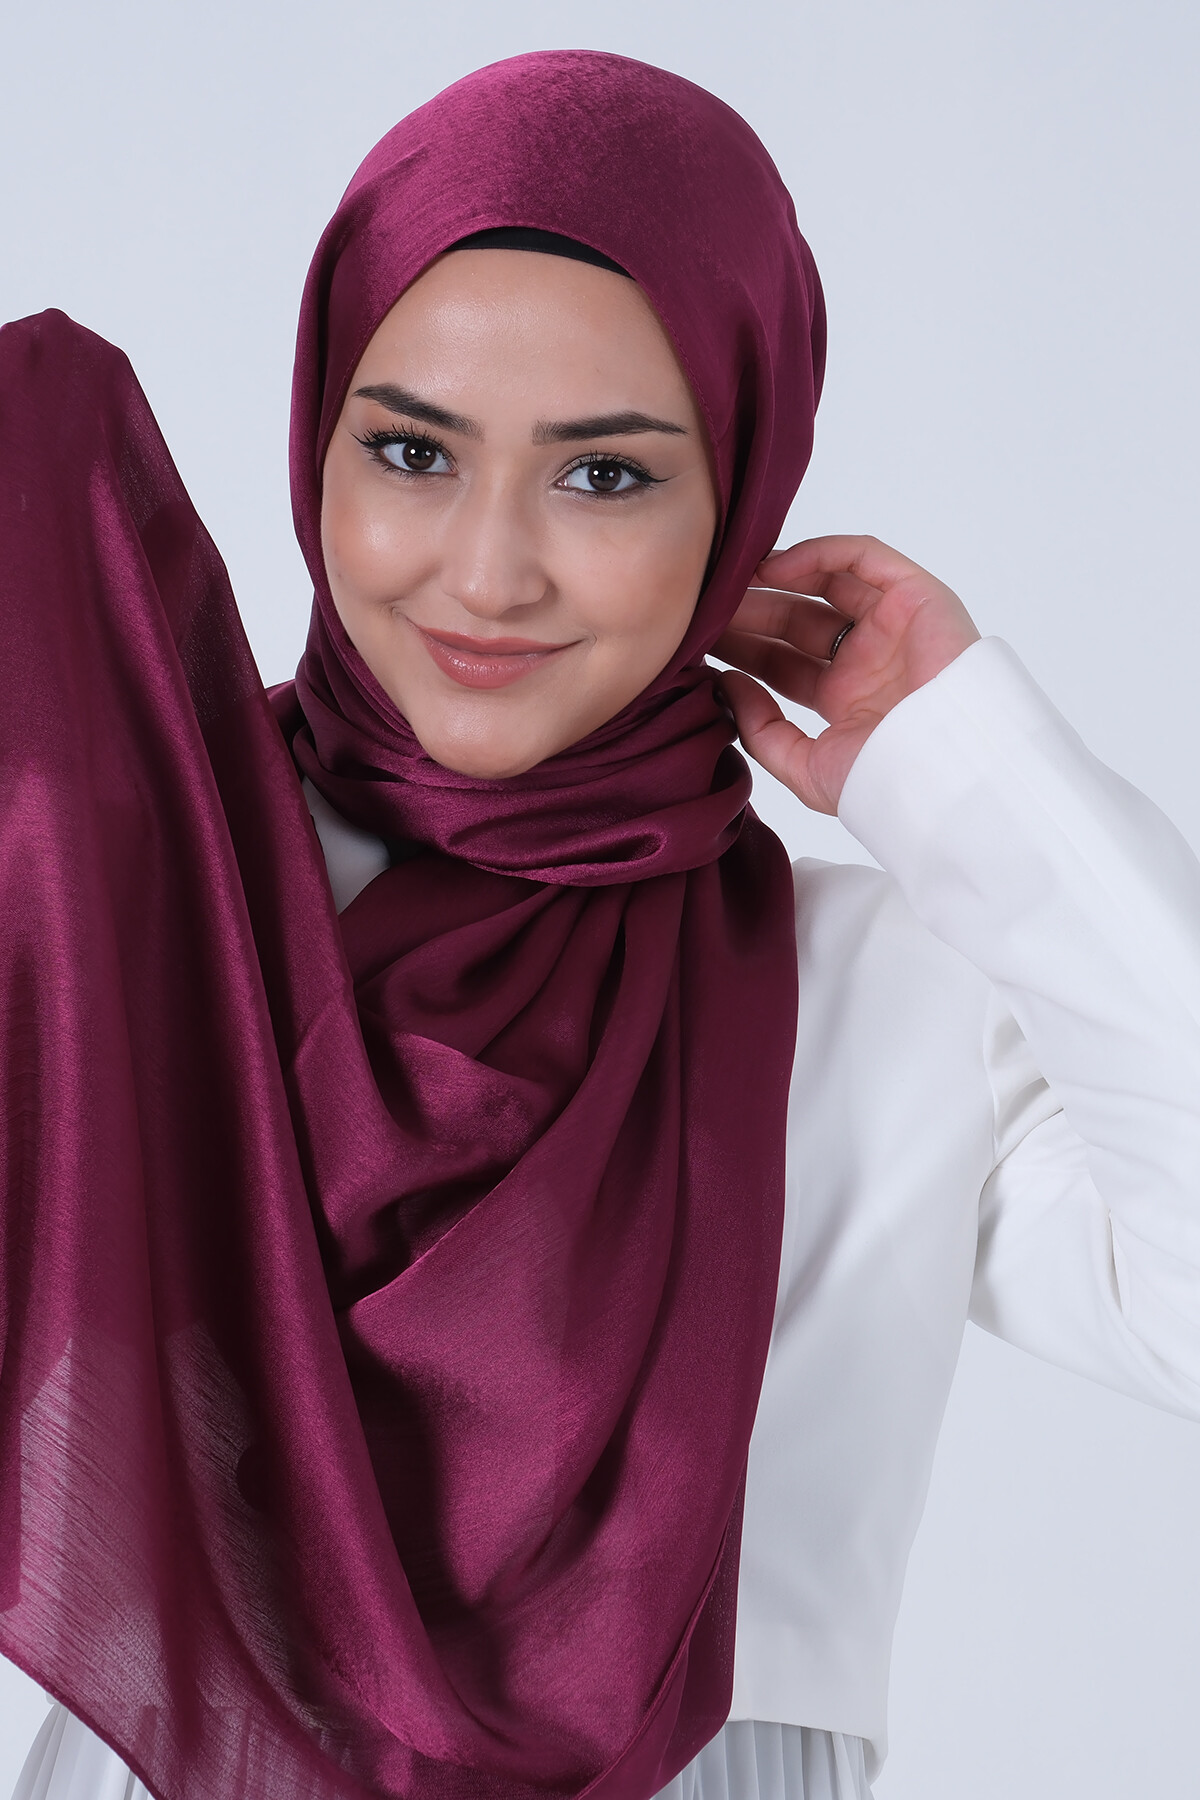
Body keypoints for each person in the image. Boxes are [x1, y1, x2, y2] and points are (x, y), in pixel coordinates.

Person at [3, 46, 1198, 1800]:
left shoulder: (880, 997)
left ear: (743, 498)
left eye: (606, 478)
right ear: (317, 439)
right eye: (411, 450)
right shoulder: (136, 909)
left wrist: (973, 770)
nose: (487, 572)